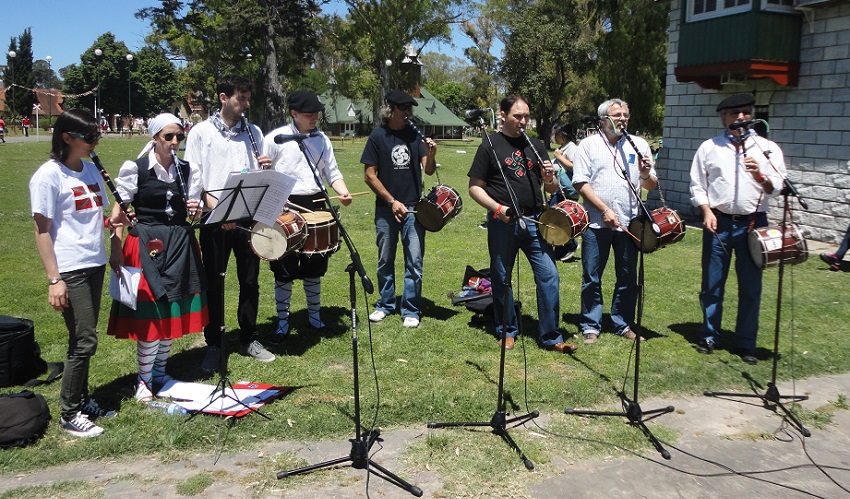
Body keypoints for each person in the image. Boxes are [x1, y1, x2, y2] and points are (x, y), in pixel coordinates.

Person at [30, 109, 129, 437]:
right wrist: (54, 279)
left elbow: (90, 216)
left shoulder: (90, 170)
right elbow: (42, 231)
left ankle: (83, 400)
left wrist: (114, 225)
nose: (95, 142)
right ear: (66, 137)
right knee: (85, 339)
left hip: (94, 262)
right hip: (69, 268)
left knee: (82, 338)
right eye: (89, 137)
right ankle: (70, 412)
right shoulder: (48, 176)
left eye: (97, 136)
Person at [107, 113, 208, 401]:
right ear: (154, 138)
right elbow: (118, 213)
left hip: (179, 242)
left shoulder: (188, 170)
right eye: (168, 136)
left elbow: (195, 212)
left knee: (172, 309)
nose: (175, 142)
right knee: (151, 314)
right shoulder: (135, 168)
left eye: (180, 136)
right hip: (146, 244)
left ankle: (160, 372)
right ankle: (144, 379)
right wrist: (116, 246)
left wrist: (196, 209)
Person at [467, 95, 576, 353]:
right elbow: (474, 188)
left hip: (536, 219)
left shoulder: (536, 144)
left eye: (526, 116)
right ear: (503, 115)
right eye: (518, 116)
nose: (523, 121)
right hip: (503, 220)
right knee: (502, 276)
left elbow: (549, 187)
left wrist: (550, 179)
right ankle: (507, 330)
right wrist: (497, 208)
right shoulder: (489, 145)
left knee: (549, 275)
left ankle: (550, 336)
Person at [184, 74, 275, 372]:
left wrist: (266, 169)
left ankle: (249, 337)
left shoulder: (254, 131)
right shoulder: (200, 133)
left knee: (250, 280)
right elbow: (195, 177)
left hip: (248, 217)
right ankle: (214, 343)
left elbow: (257, 178)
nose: (246, 105)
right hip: (215, 219)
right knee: (214, 281)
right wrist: (219, 211)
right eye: (241, 99)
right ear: (224, 98)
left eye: (248, 99)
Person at [689, 93, 786, 365]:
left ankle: (746, 343)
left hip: (754, 223)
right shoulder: (710, 147)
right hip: (718, 222)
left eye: (745, 112)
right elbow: (698, 185)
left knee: (751, 285)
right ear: (723, 117)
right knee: (712, 282)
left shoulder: (766, 148)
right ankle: (709, 335)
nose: (741, 117)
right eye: (734, 113)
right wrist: (706, 211)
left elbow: (778, 187)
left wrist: (760, 177)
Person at [263, 91, 352, 343]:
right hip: (285, 205)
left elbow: (332, 172)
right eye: (309, 114)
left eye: (316, 114)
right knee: (284, 267)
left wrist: (342, 191)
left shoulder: (321, 139)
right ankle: (282, 322)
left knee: (314, 264)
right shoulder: (275, 139)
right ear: (294, 114)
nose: (315, 118)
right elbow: (263, 173)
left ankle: (315, 317)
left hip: (315, 202)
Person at [572, 98, 657, 345]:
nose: (622, 119)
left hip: (629, 223)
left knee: (628, 277)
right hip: (597, 222)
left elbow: (651, 184)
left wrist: (644, 173)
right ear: (602, 120)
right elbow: (580, 182)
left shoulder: (638, 144)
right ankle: (591, 324)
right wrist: (604, 209)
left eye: (625, 114)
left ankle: (622, 323)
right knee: (592, 275)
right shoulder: (588, 145)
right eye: (616, 114)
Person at [362, 90, 437, 328]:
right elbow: (369, 176)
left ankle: (411, 309)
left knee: (414, 260)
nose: (407, 113)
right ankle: (385, 304)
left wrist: (432, 154)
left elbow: (429, 170)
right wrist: (392, 201)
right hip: (387, 209)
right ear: (391, 109)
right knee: (385, 259)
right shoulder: (377, 136)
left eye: (409, 109)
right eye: (403, 108)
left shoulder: (415, 136)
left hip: (415, 209)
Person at [550, 123, 581, 261]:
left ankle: (570, 244)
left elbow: (575, 166)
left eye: (556, 134)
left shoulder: (572, 148)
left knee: (560, 219)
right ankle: (560, 249)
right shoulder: (563, 148)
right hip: (559, 190)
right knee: (554, 218)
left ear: (563, 135)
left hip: (567, 191)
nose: (554, 137)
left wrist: (559, 157)